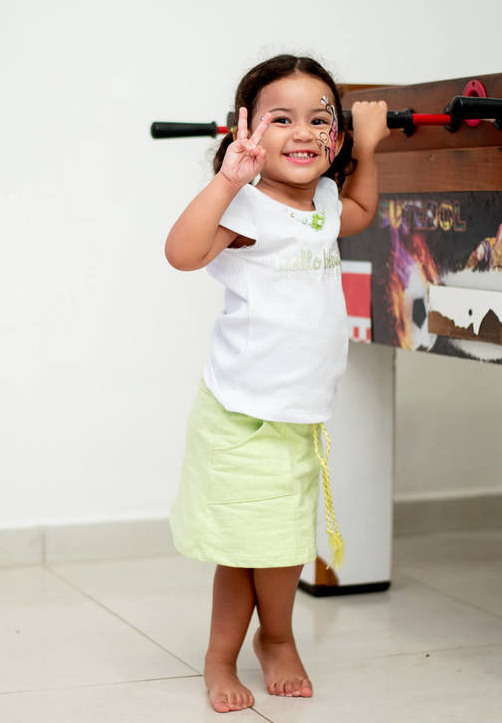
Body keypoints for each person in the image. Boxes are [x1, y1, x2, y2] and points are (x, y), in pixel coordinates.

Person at [163, 54, 390, 713]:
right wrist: (227, 180)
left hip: (300, 414)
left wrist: (370, 149)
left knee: (286, 542)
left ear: (335, 137)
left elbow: (358, 210)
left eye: (319, 119)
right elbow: (181, 254)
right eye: (282, 119)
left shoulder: (324, 200)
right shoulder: (247, 206)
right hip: (241, 414)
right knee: (245, 548)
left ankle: (276, 636)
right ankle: (224, 656)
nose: (303, 132)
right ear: (248, 133)